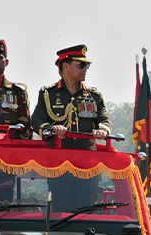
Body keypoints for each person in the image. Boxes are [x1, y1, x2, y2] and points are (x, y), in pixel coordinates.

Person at [31, 44, 111, 211]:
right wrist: (51, 130)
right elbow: (37, 120)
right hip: (59, 163)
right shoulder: (48, 94)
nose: (85, 69)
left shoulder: (94, 96)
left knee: (85, 211)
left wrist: (102, 130)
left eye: (87, 65)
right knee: (60, 210)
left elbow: (104, 119)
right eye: (81, 65)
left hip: (87, 165)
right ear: (65, 66)